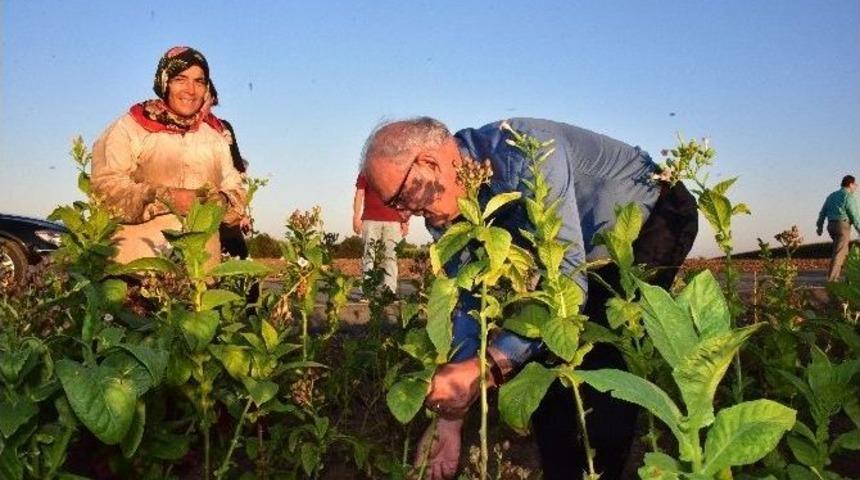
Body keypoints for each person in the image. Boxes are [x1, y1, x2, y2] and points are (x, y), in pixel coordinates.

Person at [361, 117, 698, 480]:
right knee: (540, 365)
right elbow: (468, 302)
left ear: (429, 162)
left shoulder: (526, 152)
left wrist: (488, 367)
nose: (403, 213)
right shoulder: (440, 206)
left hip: (649, 219)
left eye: (401, 196)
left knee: (603, 358)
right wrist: (451, 413)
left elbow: (569, 284)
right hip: (576, 257)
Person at [91, 46, 245, 268]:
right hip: (136, 268)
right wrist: (168, 198)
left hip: (199, 275)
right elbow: (105, 189)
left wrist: (220, 202)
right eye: (180, 79)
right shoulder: (129, 128)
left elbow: (236, 191)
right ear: (164, 82)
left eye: (199, 81)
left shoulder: (215, 137)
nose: (190, 90)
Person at [352, 172, 409, 295]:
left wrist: (405, 220)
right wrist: (356, 216)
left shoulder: (398, 169)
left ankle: (389, 292)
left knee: (391, 256)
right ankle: (367, 291)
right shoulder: (367, 169)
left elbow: (403, 195)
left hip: (394, 220)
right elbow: (360, 193)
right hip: (370, 219)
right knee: (369, 255)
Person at [219, 119, 252, 259]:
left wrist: (242, 215)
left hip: (225, 203)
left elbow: (237, 164)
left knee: (240, 258)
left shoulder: (222, 126)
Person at [816, 175, 859, 282]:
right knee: (839, 254)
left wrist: (819, 227)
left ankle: (849, 280)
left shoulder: (831, 196)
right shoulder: (848, 196)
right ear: (850, 184)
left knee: (843, 253)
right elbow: (854, 215)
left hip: (831, 226)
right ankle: (832, 280)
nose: (856, 187)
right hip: (842, 226)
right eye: (855, 184)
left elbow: (823, 212)